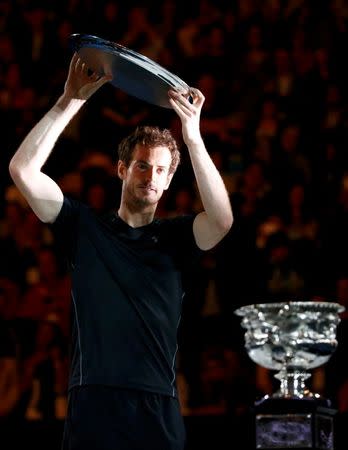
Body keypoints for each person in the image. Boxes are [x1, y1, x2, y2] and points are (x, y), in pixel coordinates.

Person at [9, 52, 233, 450]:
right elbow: (23, 171)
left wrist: (193, 137)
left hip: (156, 407)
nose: (151, 176)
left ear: (168, 183)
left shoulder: (177, 238)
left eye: (161, 170)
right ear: (122, 170)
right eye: (143, 166)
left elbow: (222, 220)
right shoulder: (82, 226)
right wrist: (70, 101)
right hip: (92, 402)